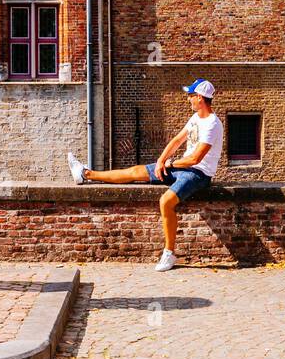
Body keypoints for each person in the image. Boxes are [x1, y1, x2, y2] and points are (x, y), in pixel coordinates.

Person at [67, 79, 223, 272]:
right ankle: (86, 174)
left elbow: (195, 159)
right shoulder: (196, 118)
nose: (188, 99)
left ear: (200, 98)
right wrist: (161, 160)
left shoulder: (212, 124)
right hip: (180, 167)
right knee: (135, 171)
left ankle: (169, 253)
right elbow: (177, 140)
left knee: (166, 201)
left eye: (191, 96)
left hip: (198, 174)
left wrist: (170, 163)